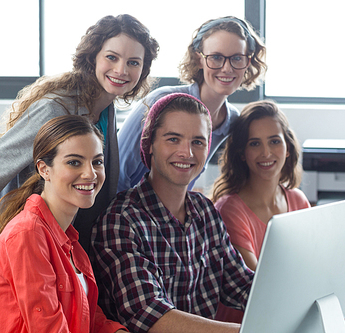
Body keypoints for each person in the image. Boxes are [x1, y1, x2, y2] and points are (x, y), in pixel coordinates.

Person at [0, 14, 159, 305]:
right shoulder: (54, 109)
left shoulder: (105, 109)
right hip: (22, 250)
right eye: (112, 57)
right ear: (92, 58)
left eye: (134, 62)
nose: (122, 70)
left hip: (59, 252)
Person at [91, 93, 254, 333]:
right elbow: (152, 316)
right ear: (149, 144)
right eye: (173, 139)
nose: (186, 153)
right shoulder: (121, 220)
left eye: (197, 142)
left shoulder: (206, 212)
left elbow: (242, 284)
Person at [0, 115, 128, 333]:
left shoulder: (67, 237)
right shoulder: (26, 234)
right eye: (74, 162)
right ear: (44, 169)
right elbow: (48, 327)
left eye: (97, 161)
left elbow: (86, 312)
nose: (90, 173)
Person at [117, 16, 266, 193]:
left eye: (237, 58)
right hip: (125, 210)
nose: (227, 68)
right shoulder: (160, 100)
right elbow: (117, 171)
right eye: (216, 57)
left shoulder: (231, 120)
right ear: (199, 59)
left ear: (248, 62)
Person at [210, 100, 310, 323]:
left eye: (274, 141)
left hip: (290, 314)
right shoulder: (229, 210)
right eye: (254, 144)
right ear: (242, 153)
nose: (266, 152)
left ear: (287, 148)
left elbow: (310, 264)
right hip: (246, 323)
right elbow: (259, 287)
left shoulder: (297, 200)